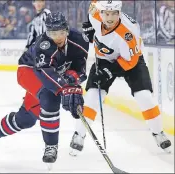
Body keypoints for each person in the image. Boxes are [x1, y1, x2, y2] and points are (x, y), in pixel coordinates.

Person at [0, 12, 89, 164]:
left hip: (52, 76)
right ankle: (51, 146)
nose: (57, 37)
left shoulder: (79, 41)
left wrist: (73, 82)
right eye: (52, 33)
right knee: (50, 97)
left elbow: (80, 71)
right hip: (29, 71)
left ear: (67, 30)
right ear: (47, 32)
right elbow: (46, 74)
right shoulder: (43, 44)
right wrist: (65, 88)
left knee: (27, 119)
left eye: (61, 32)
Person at [69, 0, 171, 155]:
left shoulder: (128, 32)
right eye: (106, 13)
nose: (109, 18)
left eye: (114, 14)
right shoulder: (94, 14)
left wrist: (109, 71)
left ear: (119, 13)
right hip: (103, 59)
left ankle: (158, 132)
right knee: (92, 96)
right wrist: (90, 33)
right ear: (101, 12)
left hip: (132, 61)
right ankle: (79, 134)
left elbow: (130, 61)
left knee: (144, 97)